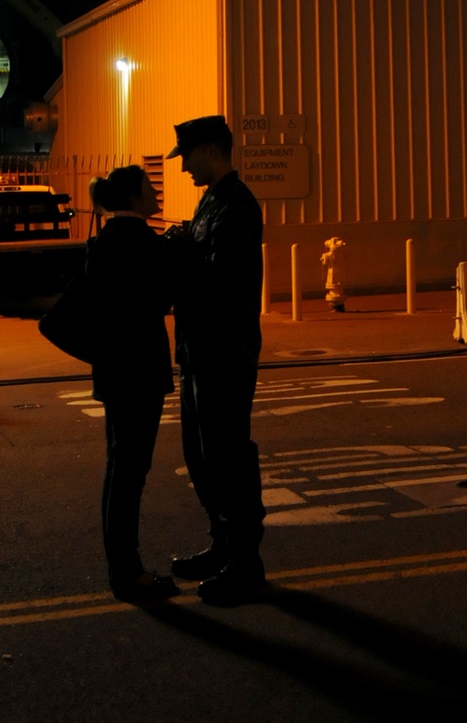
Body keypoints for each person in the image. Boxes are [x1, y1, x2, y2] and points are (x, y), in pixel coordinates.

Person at [166, 114, 266, 605]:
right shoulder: (211, 201)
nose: (183, 166)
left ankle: (244, 561)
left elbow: (218, 282)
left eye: (186, 155)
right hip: (200, 349)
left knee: (227, 456)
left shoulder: (237, 207)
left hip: (225, 350)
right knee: (201, 455)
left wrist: (182, 252)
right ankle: (222, 544)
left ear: (209, 150)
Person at [86, 166, 178, 603]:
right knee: (130, 472)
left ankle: (120, 566)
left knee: (117, 467)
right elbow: (163, 299)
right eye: (148, 186)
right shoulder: (142, 242)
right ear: (134, 197)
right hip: (140, 370)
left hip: (113, 369)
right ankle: (128, 572)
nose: (154, 192)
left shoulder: (104, 240)